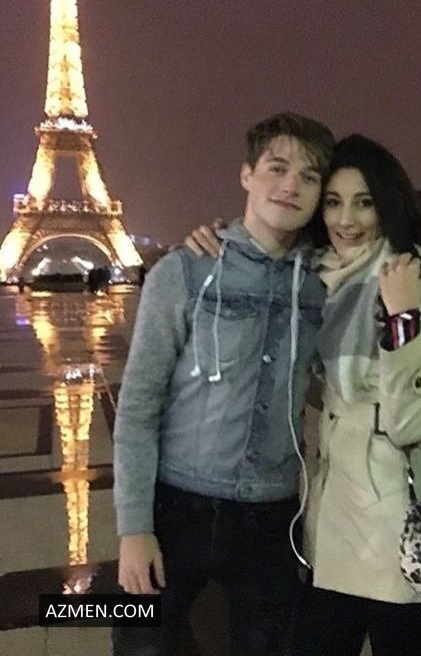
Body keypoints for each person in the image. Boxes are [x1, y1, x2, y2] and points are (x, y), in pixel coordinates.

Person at [187, 134, 421, 656]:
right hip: (328, 515)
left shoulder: (414, 281)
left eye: (364, 202)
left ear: (388, 205)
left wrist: (401, 317)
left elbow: (406, 425)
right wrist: (218, 240)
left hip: (392, 524)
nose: (346, 220)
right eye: (333, 202)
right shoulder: (321, 276)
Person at [112, 112, 335, 656]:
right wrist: (133, 529)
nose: (291, 186)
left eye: (309, 176)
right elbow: (139, 405)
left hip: (273, 515)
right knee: (142, 646)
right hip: (176, 506)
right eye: (277, 168)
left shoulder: (325, 283)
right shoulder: (184, 271)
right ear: (246, 175)